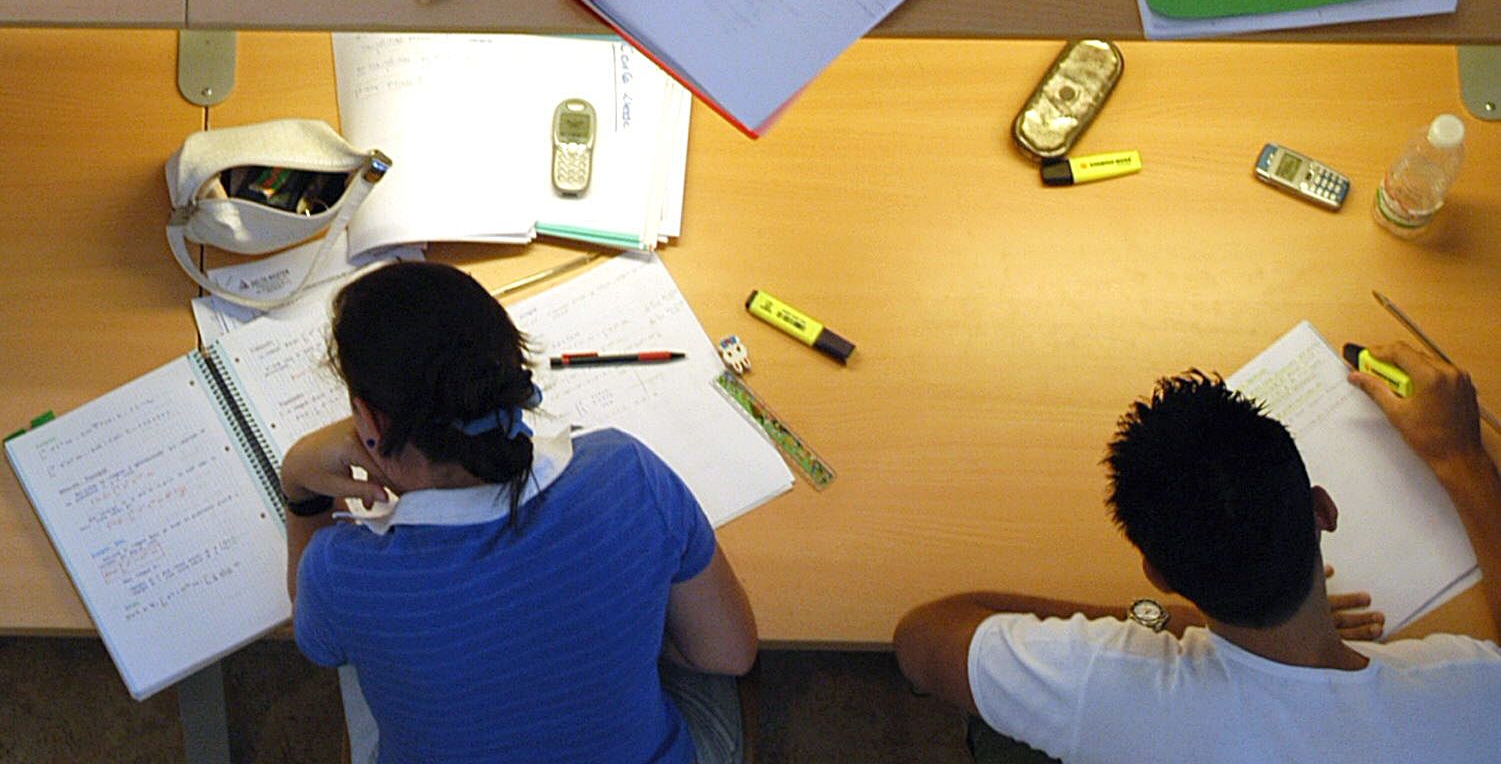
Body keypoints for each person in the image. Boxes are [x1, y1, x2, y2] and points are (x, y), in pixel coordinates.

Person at [894, 342, 1501, 763]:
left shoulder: (1110, 685)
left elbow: (922, 638)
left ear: (1157, 574)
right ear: (1323, 511)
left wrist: (1158, 622)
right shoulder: (1467, 693)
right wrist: (1462, 458)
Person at [278, 261, 758, 764]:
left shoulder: (343, 573)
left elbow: (317, 641)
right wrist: (608, 640)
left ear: (370, 421)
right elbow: (730, 653)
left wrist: (298, 483)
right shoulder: (627, 472)